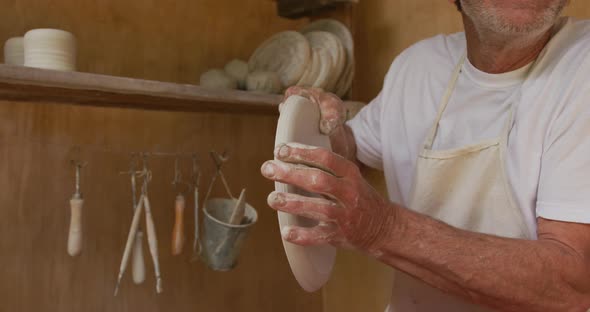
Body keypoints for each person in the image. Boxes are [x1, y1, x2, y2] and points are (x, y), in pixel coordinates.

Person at [261, 0, 590, 311]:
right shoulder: (418, 66)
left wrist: (383, 229)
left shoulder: (581, 65)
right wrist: (322, 129)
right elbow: (356, 147)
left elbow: (572, 285)